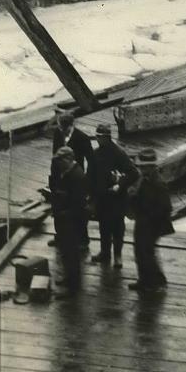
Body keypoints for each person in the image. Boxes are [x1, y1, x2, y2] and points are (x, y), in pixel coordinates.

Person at [88, 123, 138, 268]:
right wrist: (89, 195)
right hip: (102, 199)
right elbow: (90, 176)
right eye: (96, 136)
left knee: (117, 229)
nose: (97, 139)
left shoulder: (118, 153)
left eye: (99, 137)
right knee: (103, 227)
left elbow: (133, 173)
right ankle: (105, 253)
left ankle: (117, 256)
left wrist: (120, 185)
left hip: (117, 199)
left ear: (106, 137)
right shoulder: (95, 154)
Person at [126, 148, 174, 292]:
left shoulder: (158, 183)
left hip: (152, 224)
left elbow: (166, 207)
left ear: (151, 167)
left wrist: (150, 217)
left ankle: (156, 282)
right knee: (140, 251)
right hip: (142, 221)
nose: (140, 169)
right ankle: (144, 280)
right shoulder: (143, 179)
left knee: (147, 252)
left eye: (142, 166)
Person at [48, 147, 88, 298]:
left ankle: (73, 288)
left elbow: (78, 204)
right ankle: (68, 279)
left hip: (72, 221)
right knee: (65, 252)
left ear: (68, 159)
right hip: (65, 219)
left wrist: (64, 212)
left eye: (60, 160)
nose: (58, 164)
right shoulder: (67, 173)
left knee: (72, 254)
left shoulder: (77, 176)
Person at [52, 110, 93, 250]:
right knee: (58, 207)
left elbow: (91, 160)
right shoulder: (57, 134)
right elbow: (54, 156)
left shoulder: (82, 138)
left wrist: (85, 181)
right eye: (60, 127)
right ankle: (59, 236)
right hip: (60, 177)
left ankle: (83, 239)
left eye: (64, 128)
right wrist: (53, 179)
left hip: (75, 177)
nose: (62, 131)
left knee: (78, 209)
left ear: (71, 125)